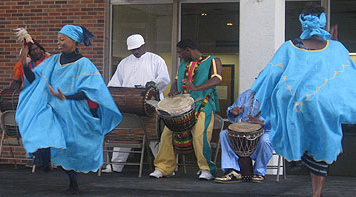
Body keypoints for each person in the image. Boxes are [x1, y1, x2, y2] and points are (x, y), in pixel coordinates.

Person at [251, 3, 356, 197]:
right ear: (323, 23)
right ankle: (316, 191)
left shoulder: (289, 47)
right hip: (323, 107)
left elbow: (271, 75)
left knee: (298, 136)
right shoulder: (335, 48)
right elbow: (348, 75)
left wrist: (257, 99)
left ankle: (297, 154)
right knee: (321, 148)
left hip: (294, 106)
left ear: (302, 22)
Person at [15, 25, 122, 194]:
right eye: (58, 39)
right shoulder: (53, 60)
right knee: (45, 127)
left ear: (74, 41)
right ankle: (43, 156)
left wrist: (66, 96)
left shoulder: (84, 64)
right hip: (54, 109)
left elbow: (90, 91)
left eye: (62, 39)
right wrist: (25, 65)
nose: (59, 43)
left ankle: (73, 181)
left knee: (73, 147)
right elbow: (34, 79)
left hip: (75, 111)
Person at [149, 39, 222, 180]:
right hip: (181, 108)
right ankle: (164, 168)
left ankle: (206, 169)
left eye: (180, 52)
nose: (179, 56)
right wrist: (173, 91)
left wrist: (196, 88)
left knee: (200, 137)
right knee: (166, 135)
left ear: (188, 50)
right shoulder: (183, 64)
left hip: (203, 105)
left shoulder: (213, 60)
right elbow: (176, 80)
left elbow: (217, 79)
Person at [104, 34, 170, 173]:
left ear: (143, 45)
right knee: (126, 134)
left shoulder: (156, 59)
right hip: (129, 103)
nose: (136, 51)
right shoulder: (124, 62)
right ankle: (115, 165)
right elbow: (115, 82)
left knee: (154, 136)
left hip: (151, 105)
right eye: (133, 49)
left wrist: (151, 88)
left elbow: (164, 79)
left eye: (138, 48)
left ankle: (163, 167)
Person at [214, 89, 273, 183]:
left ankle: (259, 172)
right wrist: (233, 113)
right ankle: (233, 170)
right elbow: (233, 111)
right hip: (245, 131)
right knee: (225, 134)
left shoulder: (276, 96)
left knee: (265, 141)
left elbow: (282, 120)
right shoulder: (247, 95)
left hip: (268, 131)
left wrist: (262, 122)